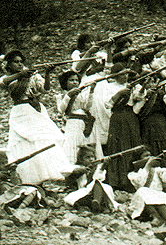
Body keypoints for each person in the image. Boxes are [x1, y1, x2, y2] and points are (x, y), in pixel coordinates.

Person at [0, 50, 69, 185]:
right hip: (20, 110)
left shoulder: (31, 75)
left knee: (43, 138)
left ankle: (51, 173)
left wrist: (47, 73)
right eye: (16, 62)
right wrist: (21, 75)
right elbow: (6, 84)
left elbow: (45, 89)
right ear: (9, 64)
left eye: (21, 62)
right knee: (26, 140)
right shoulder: (7, 77)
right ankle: (30, 177)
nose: (20, 64)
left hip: (35, 109)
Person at [104, 63, 143, 192]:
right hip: (118, 117)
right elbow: (107, 105)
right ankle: (117, 179)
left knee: (132, 144)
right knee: (119, 145)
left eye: (126, 74)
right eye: (122, 74)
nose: (125, 76)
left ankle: (130, 179)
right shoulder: (109, 87)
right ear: (115, 75)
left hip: (130, 116)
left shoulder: (133, 87)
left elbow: (138, 100)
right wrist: (119, 94)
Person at [128, 148, 166, 227]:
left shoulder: (156, 170)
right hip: (144, 201)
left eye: (150, 155)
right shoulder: (133, 174)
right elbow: (139, 181)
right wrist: (148, 166)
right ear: (138, 159)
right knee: (143, 191)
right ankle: (156, 217)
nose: (150, 157)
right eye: (146, 156)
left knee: (160, 197)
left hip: (157, 197)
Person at [56, 70, 100, 163]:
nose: (75, 82)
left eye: (76, 80)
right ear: (65, 82)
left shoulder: (81, 95)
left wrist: (91, 91)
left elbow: (87, 107)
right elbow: (61, 110)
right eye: (71, 80)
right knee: (72, 146)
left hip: (83, 124)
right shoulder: (61, 96)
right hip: (72, 123)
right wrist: (68, 96)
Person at [63, 144, 118, 213]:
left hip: (95, 193)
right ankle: (98, 205)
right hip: (82, 194)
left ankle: (96, 202)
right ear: (81, 159)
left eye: (92, 157)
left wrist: (103, 166)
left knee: (98, 183)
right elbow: (65, 171)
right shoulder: (77, 167)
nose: (91, 159)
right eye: (87, 157)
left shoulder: (96, 168)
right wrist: (80, 170)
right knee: (78, 199)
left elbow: (99, 178)